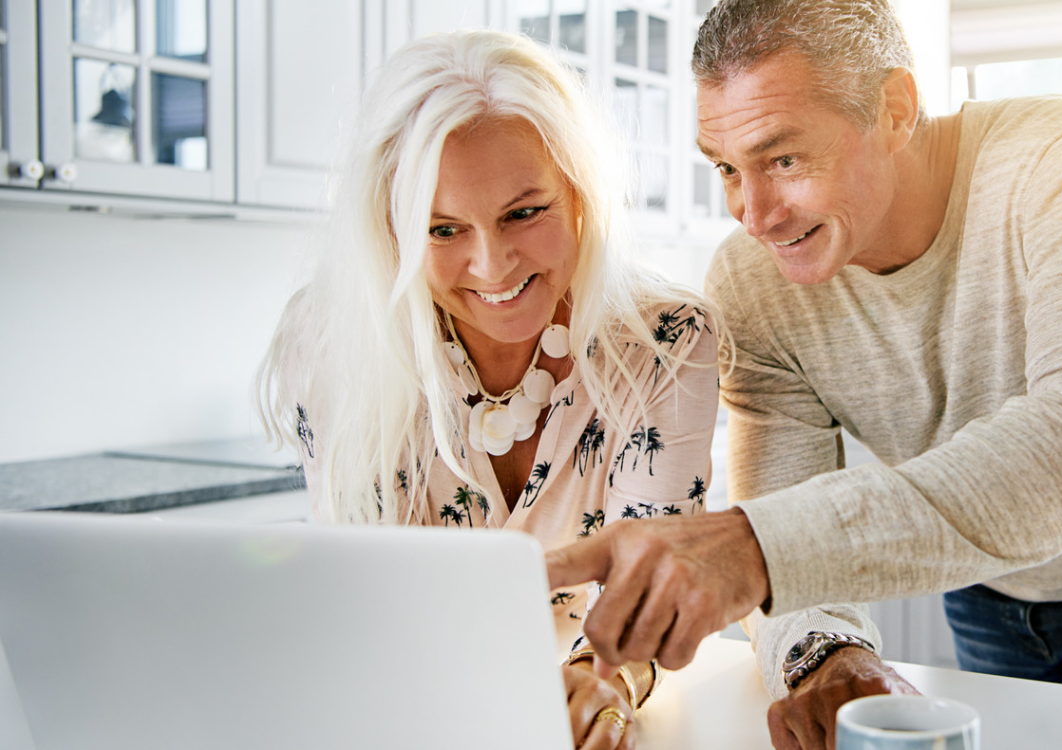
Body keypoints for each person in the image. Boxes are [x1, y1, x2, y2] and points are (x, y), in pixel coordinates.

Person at [549, 1, 1062, 748]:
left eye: (783, 159)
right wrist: (827, 653)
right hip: (987, 581)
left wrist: (754, 548)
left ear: (895, 109)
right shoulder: (755, 285)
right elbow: (787, 510)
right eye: (726, 168)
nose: (751, 214)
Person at [257, 30, 723, 750]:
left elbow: (649, 585)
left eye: (523, 212)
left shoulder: (665, 343)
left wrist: (602, 687)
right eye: (443, 229)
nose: (492, 263)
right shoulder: (327, 349)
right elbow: (362, 600)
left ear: (577, 191)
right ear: (391, 231)